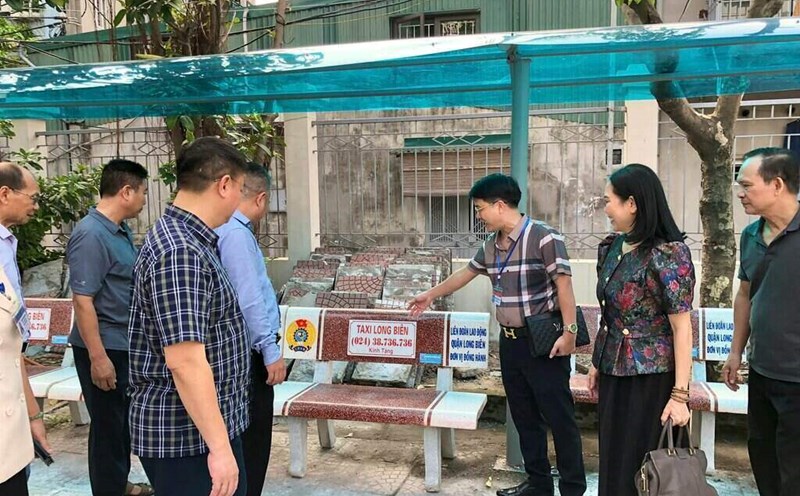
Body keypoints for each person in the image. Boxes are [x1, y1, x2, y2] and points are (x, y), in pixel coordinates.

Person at [409, 173, 586, 496]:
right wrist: (430, 295)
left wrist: (571, 333)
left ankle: (573, 489)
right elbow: (466, 273)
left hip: (543, 341)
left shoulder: (544, 237)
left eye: (480, 209)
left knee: (559, 418)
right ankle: (539, 485)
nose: (478, 216)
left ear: (500, 205)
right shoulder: (492, 245)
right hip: (511, 342)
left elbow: (564, 285)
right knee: (524, 417)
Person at [128, 137, 251, 496]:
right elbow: (185, 361)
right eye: (240, 189)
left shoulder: (189, 240)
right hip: (186, 437)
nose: (239, 201)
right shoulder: (180, 252)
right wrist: (220, 448)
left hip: (201, 430)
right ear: (224, 184)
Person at [588, 163, 695, 496]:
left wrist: (680, 396)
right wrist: (596, 362)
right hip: (612, 373)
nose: (605, 208)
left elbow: (681, 328)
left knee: (644, 465)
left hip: (651, 378)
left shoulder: (668, 253)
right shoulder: (610, 248)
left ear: (632, 203)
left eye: (609, 201)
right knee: (613, 457)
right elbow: (611, 315)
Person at [67, 159, 154, 496]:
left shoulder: (118, 230)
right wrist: (98, 358)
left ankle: (119, 485)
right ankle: (109, 489)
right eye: (143, 192)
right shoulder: (90, 235)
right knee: (107, 427)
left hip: (123, 342)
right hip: (103, 347)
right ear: (126, 191)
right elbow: (83, 300)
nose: (145, 199)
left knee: (121, 427)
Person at [722, 147, 800, 496]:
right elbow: (744, 295)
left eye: (747, 185)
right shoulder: (750, 236)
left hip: (797, 379)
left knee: (794, 469)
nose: (740, 194)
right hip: (762, 372)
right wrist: (736, 352)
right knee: (763, 457)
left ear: (778, 185)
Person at [215, 162, 286, 496]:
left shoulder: (226, 230)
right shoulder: (237, 235)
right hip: (250, 357)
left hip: (241, 354)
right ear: (260, 199)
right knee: (253, 443)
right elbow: (249, 300)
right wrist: (271, 351)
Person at [0, 162, 50, 496]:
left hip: (11, 416)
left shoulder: (7, 242)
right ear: (4, 194)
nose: (35, 205)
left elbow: (11, 344)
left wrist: (32, 415)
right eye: (31, 197)